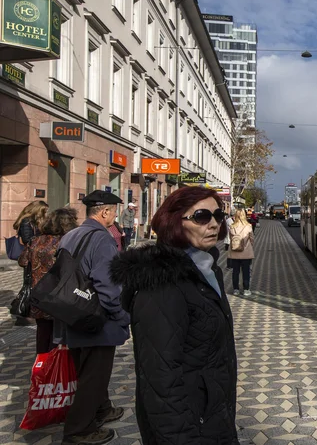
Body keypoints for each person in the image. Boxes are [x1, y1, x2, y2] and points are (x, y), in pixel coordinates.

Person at [110, 186, 237, 444]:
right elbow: (160, 379)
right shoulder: (163, 285)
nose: (213, 224)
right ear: (174, 223)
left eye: (218, 216)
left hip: (212, 414)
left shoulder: (206, 270)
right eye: (201, 216)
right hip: (188, 428)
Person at [58, 190, 129, 445]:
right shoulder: (102, 239)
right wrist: (122, 315)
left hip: (71, 312)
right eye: (114, 210)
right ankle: (79, 429)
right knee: (94, 376)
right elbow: (108, 286)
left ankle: (102, 408)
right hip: (97, 318)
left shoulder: (71, 235)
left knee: (87, 370)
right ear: (105, 212)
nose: (115, 215)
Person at [18, 207, 79, 354]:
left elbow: (22, 261)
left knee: (42, 333)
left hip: (38, 295)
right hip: (60, 296)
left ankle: (42, 366)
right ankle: (56, 369)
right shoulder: (68, 242)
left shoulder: (35, 240)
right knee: (59, 337)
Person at [11, 201, 48, 325]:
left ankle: (28, 310)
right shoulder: (27, 221)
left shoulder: (33, 221)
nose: (46, 213)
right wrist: (41, 240)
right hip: (29, 256)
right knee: (28, 284)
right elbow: (27, 239)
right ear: (37, 210)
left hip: (34, 256)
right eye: (44, 211)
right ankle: (22, 311)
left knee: (31, 283)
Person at [229, 209, 254, 296]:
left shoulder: (232, 226)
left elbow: (231, 239)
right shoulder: (248, 226)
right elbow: (252, 239)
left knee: (235, 272)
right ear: (244, 215)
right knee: (246, 271)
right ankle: (246, 289)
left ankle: (236, 289)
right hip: (246, 252)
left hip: (235, 252)